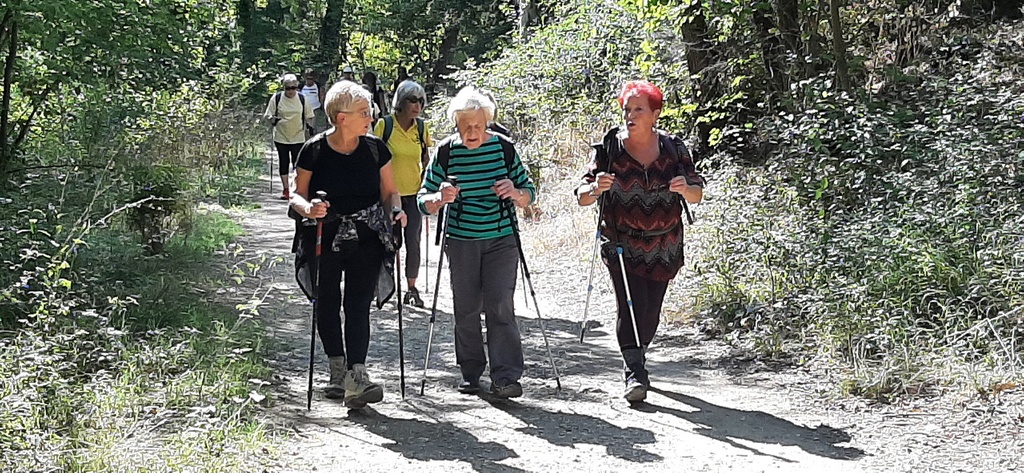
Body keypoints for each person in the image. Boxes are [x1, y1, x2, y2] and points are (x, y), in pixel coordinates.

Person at [575, 80, 704, 403]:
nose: (630, 116)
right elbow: (581, 195)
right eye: (627, 110)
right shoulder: (609, 150)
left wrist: (684, 189)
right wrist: (595, 189)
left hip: (665, 244)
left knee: (651, 313)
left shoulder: (674, 148)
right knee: (630, 306)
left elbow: (697, 192)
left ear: (655, 114)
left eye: (638, 110)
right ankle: (634, 372)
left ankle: (638, 354)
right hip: (621, 242)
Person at [290, 80, 407, 408]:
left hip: (367, 235)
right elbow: (298, 194)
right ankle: (336, 370)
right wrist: (309, 208)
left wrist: (396, 210)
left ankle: (357, 375)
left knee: (358, 304)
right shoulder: (313, 149)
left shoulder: (375, 149)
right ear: (341, 118)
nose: (370, 116)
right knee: (327, 300)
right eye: (363, 112)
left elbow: (390, 191)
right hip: (323, 236)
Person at [417, 86, 536, 399]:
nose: (472, 132)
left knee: (500, 305)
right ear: (456, 125)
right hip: (461, 240)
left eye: (478, 126)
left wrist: (515, 191)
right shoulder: (446, 151)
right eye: (465, 126)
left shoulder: (504, 149)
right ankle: (471, 372)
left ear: (488, 124)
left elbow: (528, 193)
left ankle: (506, 376)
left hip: (501, 238)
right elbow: (422, 200)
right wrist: (439, 198)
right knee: (466, 308)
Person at [373, 80, 432, 308]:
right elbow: (374, 157)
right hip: (387, 195)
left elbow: (427, 159)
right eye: (411, 100)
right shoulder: (384, 126)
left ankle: (411, 289)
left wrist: (429, 183)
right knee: (386, 241)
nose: (417, 105)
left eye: (420, 101)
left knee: (413, 243)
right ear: (400, 102)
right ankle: (381, 284)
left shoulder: (421, 128)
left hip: (414, 195)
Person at [264, 73, 314, 199]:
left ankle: (296, 188)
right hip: (281, 136)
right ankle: (286, 189)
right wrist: (272, 119)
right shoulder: (277, 98)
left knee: (297, 164)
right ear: (284, 87)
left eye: (293, 88)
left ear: (297, 87)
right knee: (284, 162)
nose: (291, 91)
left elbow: (309, 116)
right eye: (288, 88)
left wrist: (310, 128)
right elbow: (268, 115)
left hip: (298, 136)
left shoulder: (302, 99)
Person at [302, 69, 327, 133]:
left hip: (315, 107)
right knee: (305, 123)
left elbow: (321, 95)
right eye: (308, 78)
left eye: (311, 79)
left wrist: (322, 104)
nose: (310, 80)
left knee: (313, 124)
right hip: (304, 108)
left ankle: (312, 133)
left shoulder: (317, 85)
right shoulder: (301, 85)